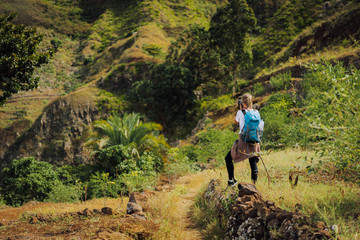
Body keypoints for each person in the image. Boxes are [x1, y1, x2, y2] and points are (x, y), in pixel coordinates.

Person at [225, 94, 261, 186]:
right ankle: (254, 185)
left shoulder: (240, 112)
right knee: (252, 162)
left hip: (244, 141)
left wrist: (240, 109)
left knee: (228, 158)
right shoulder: (256, 112)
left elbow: (236, 121)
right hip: (254, 140)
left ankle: (231, 181)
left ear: (243, 103)